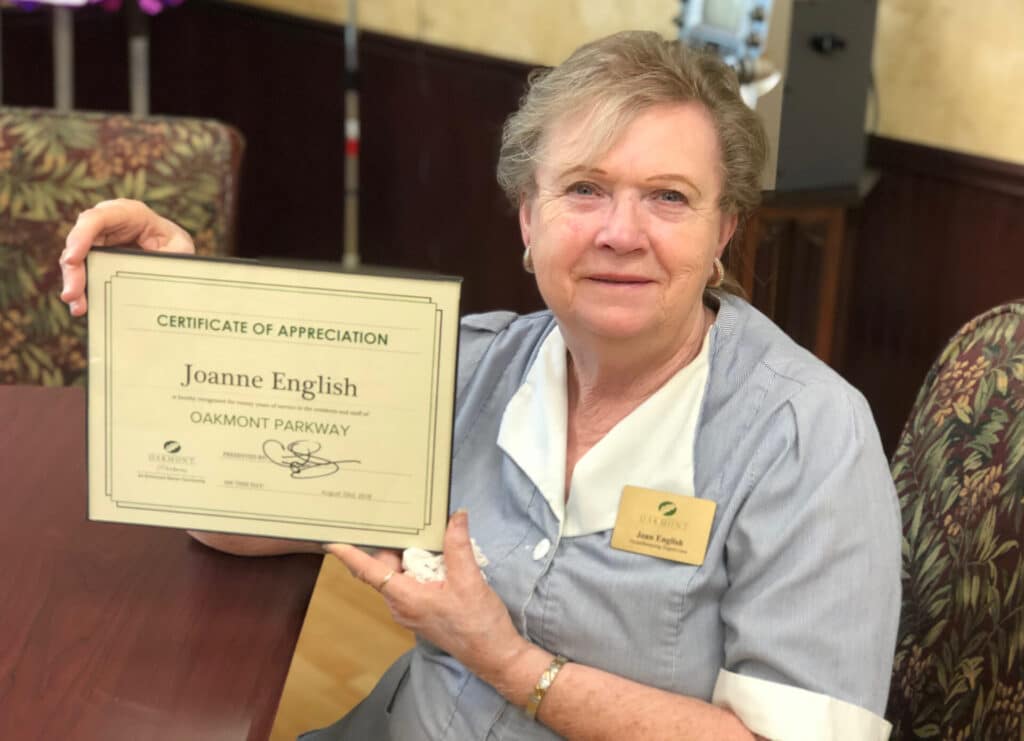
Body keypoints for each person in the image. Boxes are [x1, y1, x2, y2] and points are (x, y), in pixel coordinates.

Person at [60, 30, 900, 741]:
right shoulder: (461, 366)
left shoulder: (808, 437)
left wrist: (508, 660)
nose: (620, 232)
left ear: (723, 232)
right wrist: (178, 319)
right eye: (584, 189)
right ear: (529, 221)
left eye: (668, 198)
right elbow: (234, 524)